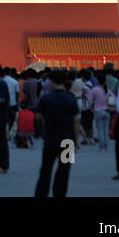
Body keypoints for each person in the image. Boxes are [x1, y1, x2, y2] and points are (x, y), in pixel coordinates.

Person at [34, 68, 83, 197]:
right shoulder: (71, 99)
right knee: (64, 171)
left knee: (46, 170)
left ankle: (41, 194)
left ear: (51, 81)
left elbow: (38, 117)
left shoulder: (46, 98)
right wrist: (77, 140)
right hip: (68, 141)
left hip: (50, 139)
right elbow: (76, 121)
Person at [87, 78, 109, 150]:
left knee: (100, 129)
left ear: (97, 81)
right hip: (107, 111)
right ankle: (106, 146)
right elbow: (115, 99)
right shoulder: (107, 90)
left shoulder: (94, 90)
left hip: (98, 111)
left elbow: (90, 102)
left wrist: (92, 110)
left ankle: (101, 146)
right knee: (106, 129)